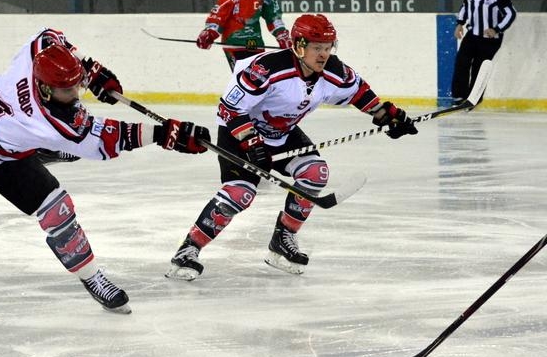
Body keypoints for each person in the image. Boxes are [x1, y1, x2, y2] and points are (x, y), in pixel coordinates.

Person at [0, 27, 210, 314]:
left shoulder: (35, 56)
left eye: (77, 84)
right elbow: (106, 139)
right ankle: (92, 278)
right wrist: (165, 134)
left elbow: (49, 35)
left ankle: (44, 150)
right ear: (44, 89)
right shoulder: (47, 121)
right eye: (68, 90)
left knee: (68, 148)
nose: (76, 92)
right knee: (58, 209)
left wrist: (92, 71)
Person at [166, 14, 419, 280]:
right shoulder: (266, 69)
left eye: (327, 47)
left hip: (282, 134)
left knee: (315, 173)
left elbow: (359, 92)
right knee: (240, 194)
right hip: (238, 131)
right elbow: (229, 109)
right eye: (316, 48)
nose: (323, 54)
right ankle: (188, 250)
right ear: (299, 46)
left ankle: (282, 241)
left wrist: (388, 116)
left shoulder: (333, 71)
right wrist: (251, 142)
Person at [195, 0, 293, 71]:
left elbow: (274, 18)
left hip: (254, 43)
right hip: (234, 44)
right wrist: (209, 33)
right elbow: (218, 17)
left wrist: (282, 35)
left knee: (259, 79)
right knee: (243, 79)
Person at [452, 0, 516, 102]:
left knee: (479, 69)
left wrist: (497, 29)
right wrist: (460, 23)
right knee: (462, 62)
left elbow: (511, 13)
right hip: (472, 34)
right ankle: (458, 96)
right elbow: (465, 7)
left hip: (490, 39)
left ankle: (473, 98)